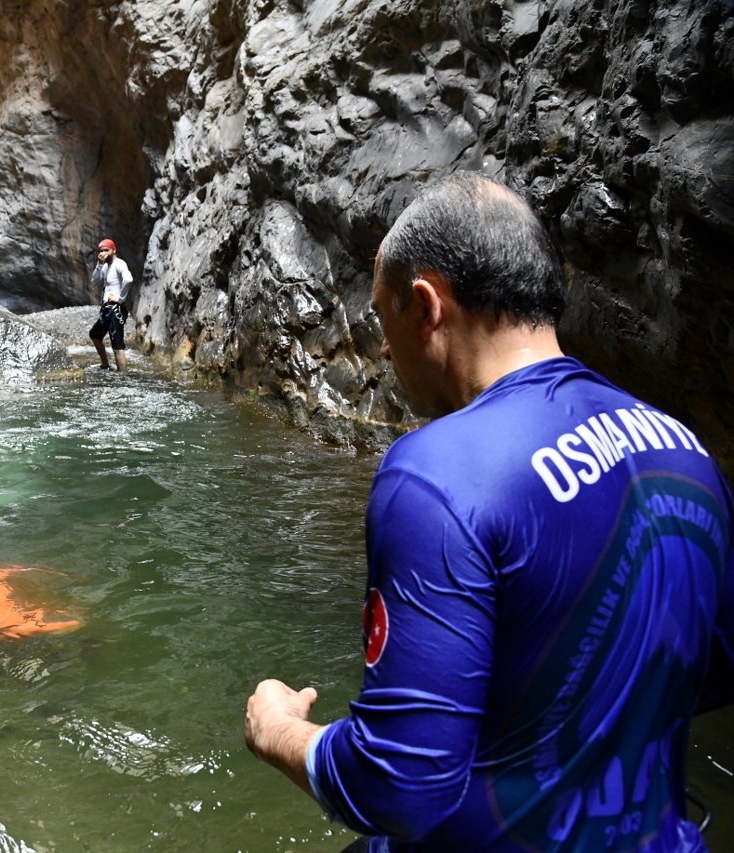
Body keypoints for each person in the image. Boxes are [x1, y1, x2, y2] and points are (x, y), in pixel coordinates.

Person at [244, 172, 734, 851]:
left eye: (383, 318)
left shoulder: (437, 470)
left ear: (425, 306)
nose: (384, 351)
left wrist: (278, 729)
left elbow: (400, 783)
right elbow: (711, 668)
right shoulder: (684, 448)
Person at [88, 238, 133, 371]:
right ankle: (105, 364)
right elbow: (94, 281)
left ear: (113, 250)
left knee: (117, 343)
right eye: (101, 251)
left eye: (106, 250)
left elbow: (129, 279)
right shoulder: (105, 266)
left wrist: (120, 299)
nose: (103, 253)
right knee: (95, 335)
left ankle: (122, 375)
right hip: (106, 309)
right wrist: (99, 264)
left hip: (116, 309)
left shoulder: (120, 264)